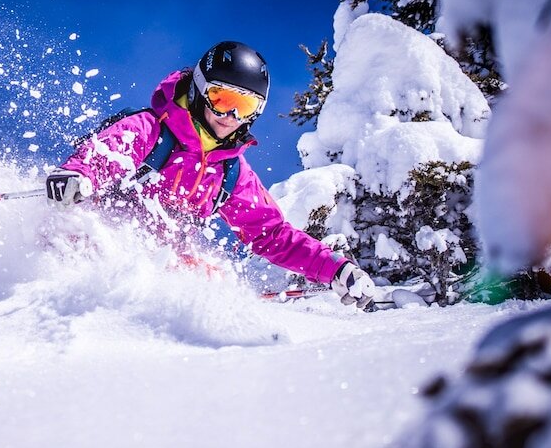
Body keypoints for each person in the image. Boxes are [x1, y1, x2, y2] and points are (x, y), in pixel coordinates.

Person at [44, 41, 376, 309]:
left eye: (244, 108)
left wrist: (336, 268)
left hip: (158, 262)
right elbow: (105, 152)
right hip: (98, 240)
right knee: (85, 242)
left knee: (212, 279)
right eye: (222, 99)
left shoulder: (231, 172)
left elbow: (271, 234)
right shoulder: (150, 130)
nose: (231, 115)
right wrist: (77, 174)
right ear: (202, 89)